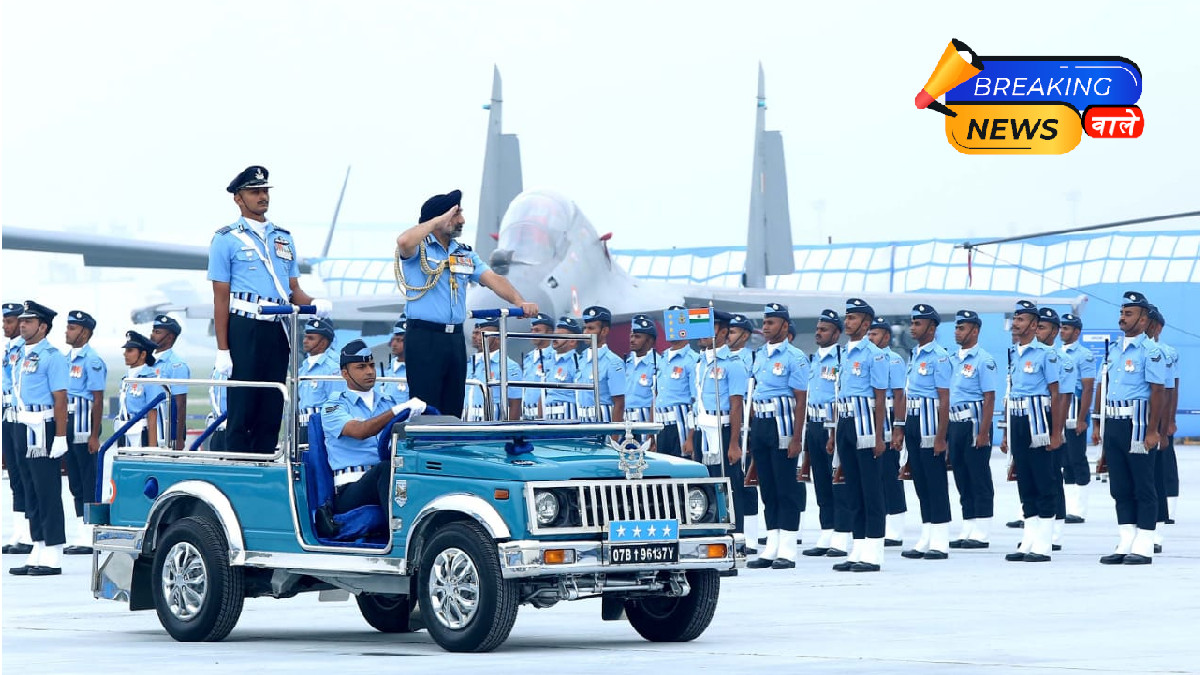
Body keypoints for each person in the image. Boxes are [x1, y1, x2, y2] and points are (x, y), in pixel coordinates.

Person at [208, 165, 332, 453]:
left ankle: (264, 461)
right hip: (245, 326)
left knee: (272, 405)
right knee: (243, 407)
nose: (262, 196)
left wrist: (313, 303)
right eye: (255, 191)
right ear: (238, 198)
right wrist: (223, 349)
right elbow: (220, 298)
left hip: (278, 327)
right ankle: (239, 465)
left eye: (265, 191)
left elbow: (293, 289)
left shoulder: (283, 237)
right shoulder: (226, 239)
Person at [395, 190, 536, 418]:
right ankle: (426, 452)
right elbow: (403, 241)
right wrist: (437, 221)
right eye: (456, 214)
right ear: (440, 218)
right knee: (425, 407)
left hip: (454, 339)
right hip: (424, 338)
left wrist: (520, 301)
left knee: (453, 407)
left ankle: (450, 450)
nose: (461, 220)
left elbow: (493, 279)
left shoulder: (463, 253)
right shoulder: (418, 249)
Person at [315, 340, 426, 538]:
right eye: (361, 367)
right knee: (384, 469)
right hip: (350, 489)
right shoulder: (333, 406)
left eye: (372, 365)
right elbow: (360, 431)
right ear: (345, 373)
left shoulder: (386, 402)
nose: (369, 371)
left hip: (386, 479)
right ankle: (401, 539)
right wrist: (396, 412)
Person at [1094, 292, 1166, 565]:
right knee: (1120, 486)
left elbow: (1158, 392)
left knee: (1143, 485)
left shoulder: (1152, 351)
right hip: (1114, 422)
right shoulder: (1114, 349)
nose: (1123, 318)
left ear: (1144, 318)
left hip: (1138, 423)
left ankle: (1145, 542)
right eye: (1122, 313)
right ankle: (1126, 539)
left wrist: (1153, 430)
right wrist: (1100, 423)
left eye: (1129, 313)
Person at [745, 303, 808, 570]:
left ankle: (788, 549)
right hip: (760, 423)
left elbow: (801, 400)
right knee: (768, 488)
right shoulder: (758, 355)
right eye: (765, 322)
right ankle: (771, 545)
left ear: (784, 325)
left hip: (783, 426)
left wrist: (797, 438)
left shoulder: (795, 357)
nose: (766, 327)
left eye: (771, 323)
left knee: (786, 489)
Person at [8, 301, 69, 577]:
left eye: (29, 321)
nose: (22, 324)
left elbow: (60, 398)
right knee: (29, 487)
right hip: (22, 423)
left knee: (47, 489)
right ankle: (39, 544)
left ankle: (53, 551)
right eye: (21, 320)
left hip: (43, 426)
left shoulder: (52, 356)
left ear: (43, 327)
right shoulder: (21, 353)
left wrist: (60, 435)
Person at [829, 298, 889, 573]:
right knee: (852, 489)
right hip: (845, 422)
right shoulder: (845, 353)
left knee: (871, 490)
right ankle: (858, 548)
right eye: (847, 317)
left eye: (853, 318)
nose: (847, 322)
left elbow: (879, 396)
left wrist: (879, 436)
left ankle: (874, 551)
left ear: (866, 324)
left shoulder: (873, 353)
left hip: (866, 425)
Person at [1002, 300, 1064, 563]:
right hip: (1017, 420)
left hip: (1039, 421)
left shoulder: (1046, 354)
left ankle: (1044, 541)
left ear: (1034, 325)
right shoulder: (1014, 353)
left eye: (1022, 319)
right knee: (1024, 479)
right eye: (1015, 318)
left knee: (1044, 480)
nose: (1016, 323)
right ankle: (1029, 536)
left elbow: (1057, 394)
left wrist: (1056, 432)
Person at [897, 305, 953, 561]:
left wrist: (942, 437)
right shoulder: (915, 354)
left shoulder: (939, 356)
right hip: (913, 420)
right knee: (920, 482)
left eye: (918, 323)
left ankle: (940, 540)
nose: (913, 327)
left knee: (935, 482)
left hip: (931, 425)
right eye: (912, 323)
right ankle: (926, 535)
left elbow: (944, 399)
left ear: (931, 328)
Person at [688, 323, 749, 542]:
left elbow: (736, 405)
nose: (702, 335)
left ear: (722, 332)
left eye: (709, 329)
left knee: (729, 486)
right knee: (706, 483)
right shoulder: (700, 363)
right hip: (703, 430)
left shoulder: (732, 364)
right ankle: (713, 533)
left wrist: (734, 443)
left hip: (723, 429)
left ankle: (735, 536)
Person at [947, 310, 997, 549]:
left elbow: (989, 398)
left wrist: (984, 432)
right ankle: (968, 523)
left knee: (978, 476)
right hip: (955, 423)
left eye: (962, 328)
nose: (958, 332)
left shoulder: (983, 360)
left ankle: (982, 528)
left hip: (974, 423)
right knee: (961, 475)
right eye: (957, 328)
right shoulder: (953, 359)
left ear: (975, 331)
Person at [63, 310, 107, 555]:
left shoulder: (92, 360)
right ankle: (81, 530)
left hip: (84, 424)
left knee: (88, 479)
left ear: (85, 332)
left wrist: (94, 434)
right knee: (75, 481)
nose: (67, 332)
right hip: (68, 422)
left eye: (72, 327)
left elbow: (98, 400)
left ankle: (91, 532)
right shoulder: (66, 358)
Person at [802, 309, 844, 557]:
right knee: (819, 479)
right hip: (814, 423)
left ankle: (841, 533)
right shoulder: (814, 360)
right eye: (817, 329)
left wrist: (834, 430)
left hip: (833, 424)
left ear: (836, 333)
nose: (818, 333)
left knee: (837, 479)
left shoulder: (840, 358)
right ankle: (826, 530)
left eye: (824, 329)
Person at [1036, 308, 1075, 551]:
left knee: (1051, 477)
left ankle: (1055, 531)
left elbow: (1064, 397)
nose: (1037, 331)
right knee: (1035, 476)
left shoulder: (1063, 360)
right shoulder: (1025, 355)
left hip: (1052, 421)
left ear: (1054, 330)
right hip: (1032, 421)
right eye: (1036, 326)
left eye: (1042, 327)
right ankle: (1037, 527)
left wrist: (1056, 431)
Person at [868, 315, 908, 547]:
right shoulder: (866, 358)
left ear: (886, 336)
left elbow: (899, 394)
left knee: (890, 474)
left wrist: (898, 428)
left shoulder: (893, 360)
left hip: (889, 417)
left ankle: (895, 526)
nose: (871, 337)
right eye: (869, 333)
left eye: (875, 334)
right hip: (869, 418)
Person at [2, 302, 34, 555]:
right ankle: (20, 530)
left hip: (24, 419)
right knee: (14, 476)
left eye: (10, 321)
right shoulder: (8, 350)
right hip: (8, 417)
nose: (6, 325)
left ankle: (31, 533)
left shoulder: (26, 351)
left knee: (26, 476)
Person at [1058, 313, 1096, 524]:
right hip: (1058, 408)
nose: (1062, 331)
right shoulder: (1055, 352)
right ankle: (1068, 505)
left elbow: (1089, 387)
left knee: (1077, 458)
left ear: (1077, 332)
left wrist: (1083, 418)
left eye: (1067, 328)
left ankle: (1079, 508)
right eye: (1061, 327)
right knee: (1064, 460)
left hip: (1075, 407)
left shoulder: (1084, 355)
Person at [1145, 306, 1176, 553]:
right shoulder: (1125, 351)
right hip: (1132, 423)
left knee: (1156, 478)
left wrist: (1165, 428)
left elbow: (1168, 392)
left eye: (1148, 323)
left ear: (1157, 327)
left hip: (1154, 425)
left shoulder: (1165, 353)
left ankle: (1156, 532)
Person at [655, 306, 697, 458]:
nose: (672, 328)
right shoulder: (662, 358)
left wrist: (691, 437)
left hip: (681, 424)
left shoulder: (692, 360)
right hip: (661, 425)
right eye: (670, 323)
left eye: (678, 323)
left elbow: (696, 402)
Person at [576, 306, 626, 423]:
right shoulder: (581, 359)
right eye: (585, 328)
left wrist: (614, 438)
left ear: (604, 331)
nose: (585, 332)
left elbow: (619, 403)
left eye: (590, 328)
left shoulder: (613, 362)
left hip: (603, 422)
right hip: (582, 422)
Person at [297, 318, 342, 444]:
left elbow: (336, 404)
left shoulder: (332, 368)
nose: (305, 341)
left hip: (321, 426)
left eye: (311, 338)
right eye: (305, 337)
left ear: (323, 342)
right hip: (302, 424)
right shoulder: (304, 368)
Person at [116, 332, 164, 448]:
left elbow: (152, 416)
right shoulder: (126, 379)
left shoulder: (149, 379)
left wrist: (152, 450)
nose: (125, 354)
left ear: (142, 354)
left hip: (141, 434)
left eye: (130, 350)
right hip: (124, 431)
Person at [151, 314, 189, 451]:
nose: (152, 335)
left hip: (166, 431)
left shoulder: (176, 365)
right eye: (153, 331)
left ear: (170, 337)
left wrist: (179, 438)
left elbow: (181, 403)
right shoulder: (147, 361)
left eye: (158, 332)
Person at [475, 316, 524, 420]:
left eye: (484, 334)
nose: (478, 337)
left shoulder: (509, 366)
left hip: (491, 425)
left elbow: (515, 404)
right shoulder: (472, 363)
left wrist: (508, 434)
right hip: (468, 423)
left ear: (498, 338)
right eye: (477, 333)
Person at [544, 317, 582, 420]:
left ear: (572, 341)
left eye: (560, 336)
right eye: (555, 335)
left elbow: (581, 395)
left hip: (569, 415)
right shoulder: (548, 360)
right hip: (547, 415)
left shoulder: (577, 362)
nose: (555, 338)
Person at [624, 315, 658, 423]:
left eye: (637, 337)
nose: (632, 340)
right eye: (631, 336)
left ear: (649, 340)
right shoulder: (625, 363)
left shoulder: (657, 364)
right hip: (626, 420)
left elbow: (657, 398)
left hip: (645, 419)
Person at [521, 313, 555, 419]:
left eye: (537, 330)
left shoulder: (553, 357)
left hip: (545, 414)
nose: (533, 333)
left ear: (549, 332)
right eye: (532, 330)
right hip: (526, 414)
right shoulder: (528, 358)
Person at [385, 316, 410, 404]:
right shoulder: (391, 366)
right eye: (394, 339)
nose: (394, 344)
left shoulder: (415, 370)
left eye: (400, 340)